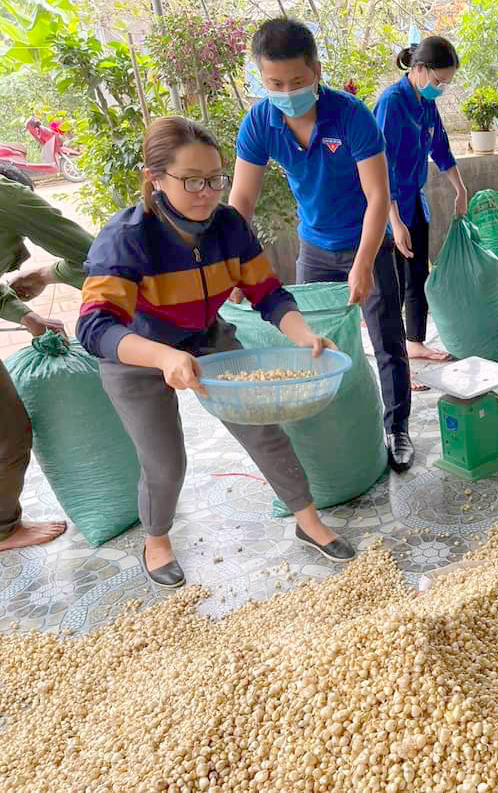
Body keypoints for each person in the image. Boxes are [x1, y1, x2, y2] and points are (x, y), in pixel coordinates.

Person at [77, 116, 357, 588]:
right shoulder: (129, 237)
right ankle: (158, 539)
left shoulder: (228, 227)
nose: (207, 192)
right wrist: (164, 358)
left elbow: (267, 292)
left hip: (206, 339)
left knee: (263, 429)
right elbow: (94, 325)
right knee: (165, 460)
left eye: (215, 179)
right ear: (156, 179)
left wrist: (303, 334)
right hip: (137, 355)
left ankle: (308, 521)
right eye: (191, 181)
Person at [228, 18, 416, 473]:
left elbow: (377, 197)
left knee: (386, 338)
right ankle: (329, 428)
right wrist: (231, 265)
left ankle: (397, 428)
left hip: (369, 244)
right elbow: (242, 200)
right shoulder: (260, 121)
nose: (286, 90)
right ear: (260, 77)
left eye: (296, 80)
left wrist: (365, 262)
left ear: (315, 69)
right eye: (274, 82)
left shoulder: (352, 116)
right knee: (312, 343)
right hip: (313, 249)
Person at [0, 161, 93, 552]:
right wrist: (49, 274)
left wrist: (27, 315)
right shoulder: (9, 196)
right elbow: (94, 255)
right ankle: (4, 529)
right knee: (8, 432)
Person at [374, 36, 469, 370]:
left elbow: (440, 147)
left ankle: (414, 343)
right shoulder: (392, 103)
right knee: (393, 284)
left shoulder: (426, 103)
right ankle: (395, 355)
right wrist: (395, 222)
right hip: (387, 206)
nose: (440, 88)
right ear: (418, 69)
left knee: (418, 275)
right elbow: (380, 167)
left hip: (415, 201)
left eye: (446, 83)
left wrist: (460, 188)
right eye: (438, 81)